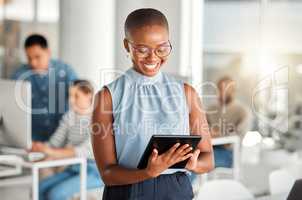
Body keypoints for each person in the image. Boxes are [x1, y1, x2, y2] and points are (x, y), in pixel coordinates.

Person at [92, 8, 214, 200]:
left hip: (176, 189)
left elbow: (208, 159)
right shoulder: (107, 97)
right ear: (127, 45)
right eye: (142, 49)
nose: (153, 57)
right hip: (128, 191)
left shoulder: (187, 93)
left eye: (162, 48)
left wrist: (193, 164)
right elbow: (107, 173)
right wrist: (148, 172)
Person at [31, 80, 103, 200]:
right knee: (40, 188)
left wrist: (51, 152)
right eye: (70, 96)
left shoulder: (99, 119)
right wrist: (38, 148)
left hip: (95, 172)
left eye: (76, 96)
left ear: (89, 95)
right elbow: (54, 143)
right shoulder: (69, 116)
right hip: (74, 168)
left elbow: (84, 151)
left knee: (56, 194)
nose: (71, 100)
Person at [11, 34, 78, 142]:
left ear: (48, 52)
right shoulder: (19, 76)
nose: (33, 63)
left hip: (62, 141)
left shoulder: (65, 71)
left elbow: (80, 98)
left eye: (37, 57)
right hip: (32, 142)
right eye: (29, 58)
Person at [207, 76, 251, 168]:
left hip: (229, 154)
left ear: (233, 91)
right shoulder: (210, 109)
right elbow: (203, 130)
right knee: (191, 157)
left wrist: (218, 135)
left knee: (197, 160)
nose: (221, 92)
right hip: (209, 149)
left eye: (225, 89)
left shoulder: (242, 111)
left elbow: (237, 137)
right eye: (219, 89)